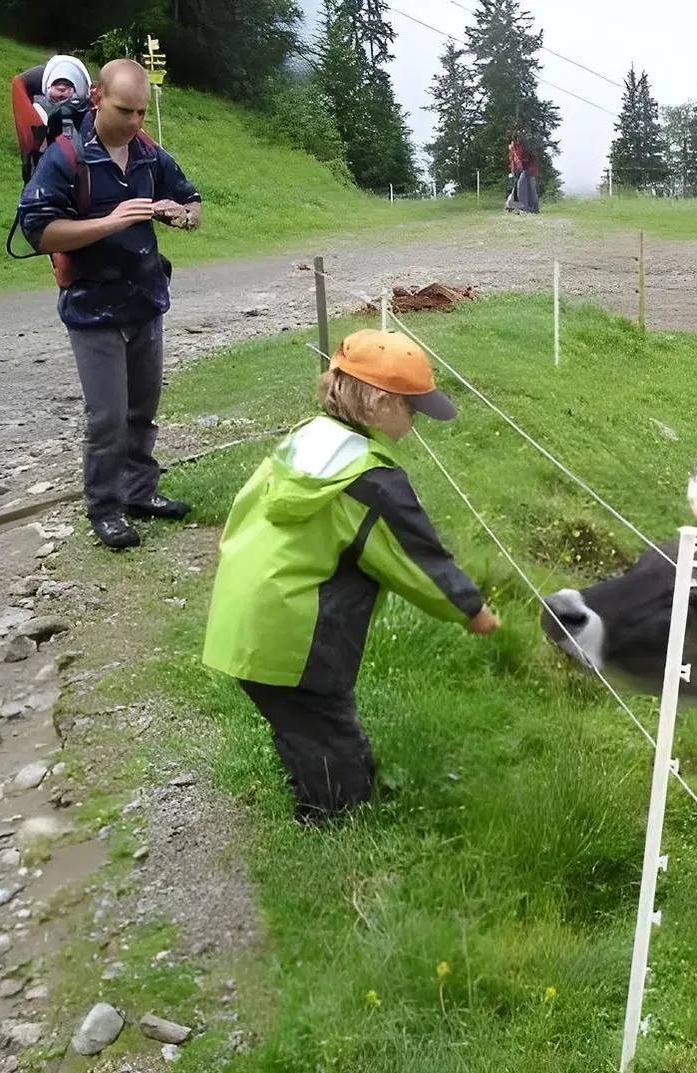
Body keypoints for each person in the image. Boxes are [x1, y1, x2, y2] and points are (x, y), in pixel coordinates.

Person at [200, 328, 501, 824]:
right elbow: (417, 558)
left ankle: (323, 785)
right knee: (325, 731)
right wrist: (471, 609)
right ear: (381, 403)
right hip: (293, 633)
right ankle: (335, 820)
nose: (416, 420)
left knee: (302, 721)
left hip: (249, 613)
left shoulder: (308, 439)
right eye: (412, 409)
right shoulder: (370, 479)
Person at [17, 58, 203, 551]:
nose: (136, 122)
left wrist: (179, 216)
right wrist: (111, 221)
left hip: (144, 297)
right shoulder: (65, 156)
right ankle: (104, 507)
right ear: (98, 98)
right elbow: (38, 232)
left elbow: (192, 202)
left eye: (142, 112)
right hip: (92, 306)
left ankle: (140, 493)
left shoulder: (148, 152)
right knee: (107, 416)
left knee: (143, 408)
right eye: (125, 110)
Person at [31, 54, 91, 126]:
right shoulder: (39, 105)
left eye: (67, 84)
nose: (61, 90)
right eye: (57, 83)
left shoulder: (87, 112)